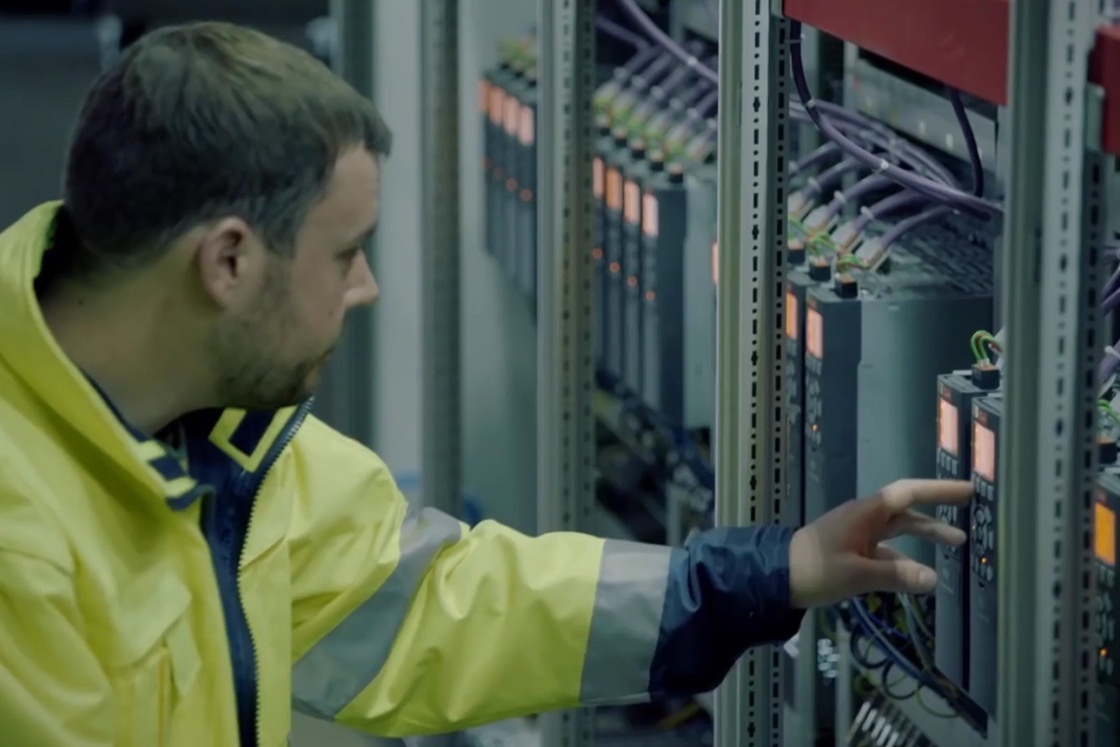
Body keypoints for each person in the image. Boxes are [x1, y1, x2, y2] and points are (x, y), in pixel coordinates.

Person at [0, 21, 970, 747]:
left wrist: (763, 573)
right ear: (228, 262)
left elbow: (435, 604)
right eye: (343, 254)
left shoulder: (212, 441)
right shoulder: (21, 542)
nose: (366, 287)